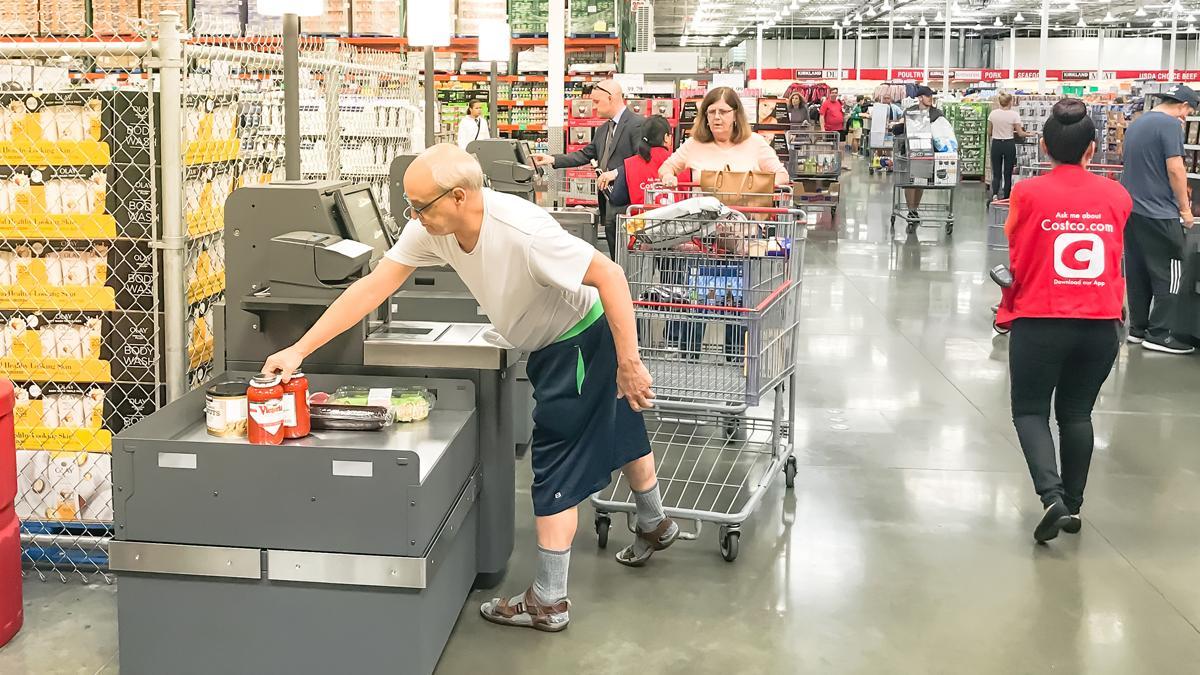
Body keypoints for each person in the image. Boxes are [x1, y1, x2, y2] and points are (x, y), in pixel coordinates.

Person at [261, 144, 678, 632]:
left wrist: (630, 362)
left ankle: (549, 599)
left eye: (420, 206)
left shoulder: (525, 234)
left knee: (556, 463)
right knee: (623, 420)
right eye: (407, 205)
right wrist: (299, 350)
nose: (411, 217)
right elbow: (372, 287)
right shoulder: (431, 229)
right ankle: (654, 523)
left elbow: (610, 274)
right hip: (552, 344)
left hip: (578, 340)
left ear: (459, 196)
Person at [995, 99, 1133, 543]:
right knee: (1077, 413)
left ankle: (1051, 497)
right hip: (1101, 321)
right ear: (1092, 150)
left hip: (1040, 317)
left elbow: (1014, 238)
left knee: (1030, 411)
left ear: (1043, 146)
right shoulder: (1117, 195)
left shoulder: (1027, 192)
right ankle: (1073, 505)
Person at [1119, 84, 1198, 354]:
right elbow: (1176, 170)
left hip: (1133, 210)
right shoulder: (1169, 126)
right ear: (1183, 106)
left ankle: (1138, 329)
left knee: (1138, 270)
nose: (1186, 118)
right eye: (1188, 112)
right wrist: (1186, 210)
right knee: (1172, 271)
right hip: (1160, 213)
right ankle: (1161, 333)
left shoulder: (1139, 123)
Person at [533, 79, 644, 259]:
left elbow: (641, 161)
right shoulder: (602, 130)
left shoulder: (637, 124)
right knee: (616, 257)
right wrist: (551, 159)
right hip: (608, 203)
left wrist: (615, 173)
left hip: (628, 205)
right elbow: (585, 154)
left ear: (611, 98)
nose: (594, 107)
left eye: (597, 102)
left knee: (630, 259)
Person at [657, 86, 790, 187]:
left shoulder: (755, 142)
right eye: (712, 112)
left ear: (735, 115)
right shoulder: (694, 144)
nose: (717, 117)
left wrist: (755, 186)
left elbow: (782, 176)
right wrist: (668, 176)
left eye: (723, 112)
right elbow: (666, 167)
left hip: (746, 221)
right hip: (703, 221)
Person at [597, 115, 684, 208]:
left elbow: (617, 198)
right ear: (666, 137)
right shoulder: (682, 162)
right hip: (679, 219)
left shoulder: (630, 165)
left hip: (643, 220)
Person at [891, 86, 944, 227]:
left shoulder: (937, 113)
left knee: (920, 182)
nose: (930, 98)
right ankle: (911, 210)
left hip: (927, 152)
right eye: (928, 96)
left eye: (931, 96)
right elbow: (901, 127)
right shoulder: (910, 111)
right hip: (909, 151)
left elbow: (942, 130)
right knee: (909, 183)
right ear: (920, 97)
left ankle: (914, 209)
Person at [988, 92, 1027, 202]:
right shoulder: (1014, 115)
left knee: (996, 172)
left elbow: (989, 132)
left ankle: (995, 194)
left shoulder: (993, 114)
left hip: (996, 144)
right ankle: (1006, 197)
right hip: (1009, 144)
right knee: (1007, 172)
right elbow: (1020, 133)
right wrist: (1030, 134)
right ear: (1010, 102)